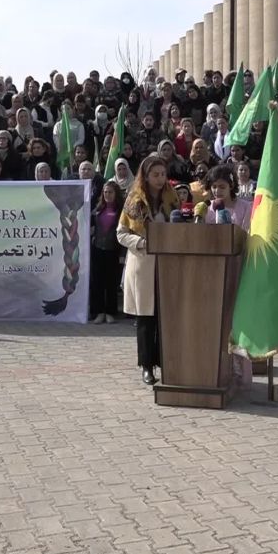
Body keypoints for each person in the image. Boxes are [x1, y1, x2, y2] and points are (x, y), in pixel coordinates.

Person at [117, 156, 180, 385]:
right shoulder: (134, 200)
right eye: (155, 175)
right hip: (143, 263)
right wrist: (142, 243)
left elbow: (180, 226)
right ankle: (146, 366)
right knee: (145, 319)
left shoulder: (172, 197)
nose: (160, 179)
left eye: (163, 174)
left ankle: (167, 362)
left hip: (167, 265)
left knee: (166, 317)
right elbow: (121, 233)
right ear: (145, 175)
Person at [90, 181, 124, 324]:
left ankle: (110, 312)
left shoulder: (121, 211)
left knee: (111, 283)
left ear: (116, 194)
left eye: (110, 192)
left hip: (113, 250)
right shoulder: (97, 210)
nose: (107, 195)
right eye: (105, 192)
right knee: (97, 282)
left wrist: (122, 254)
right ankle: (99, 312)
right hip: (98, 249)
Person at [203, 164, 252, 231]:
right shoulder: (206, 207)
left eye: (222, 187)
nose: (217, 191)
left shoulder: (245, 207)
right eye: (214, 187)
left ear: (231, 185)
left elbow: (246, 233)